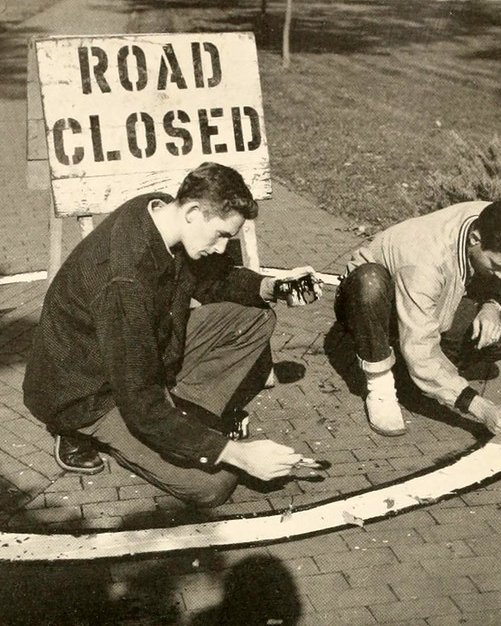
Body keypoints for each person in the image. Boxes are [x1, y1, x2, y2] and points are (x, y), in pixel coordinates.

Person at [23, 162, 319, 507]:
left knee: (255, 318)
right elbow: (139, 402)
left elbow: (212, 276)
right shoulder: (125, 281)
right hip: (90, 394)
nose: (222, 247)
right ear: (192, 212)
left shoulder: (161, 211)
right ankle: (82, 432)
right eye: (221, 235)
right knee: (213, 484)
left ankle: (180, 422)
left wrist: (272, 287)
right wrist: (236, 454)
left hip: (137, 353)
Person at [334, 199, 501, 437]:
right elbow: (420, 345)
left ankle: (417, 372)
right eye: (496, 266)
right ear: (475, 239)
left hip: (426, 304)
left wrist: (491, 306)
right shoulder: (424, 260)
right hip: (367, 304)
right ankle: (380, 384)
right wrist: (482, 408)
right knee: (370, 283)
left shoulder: (496, 220)